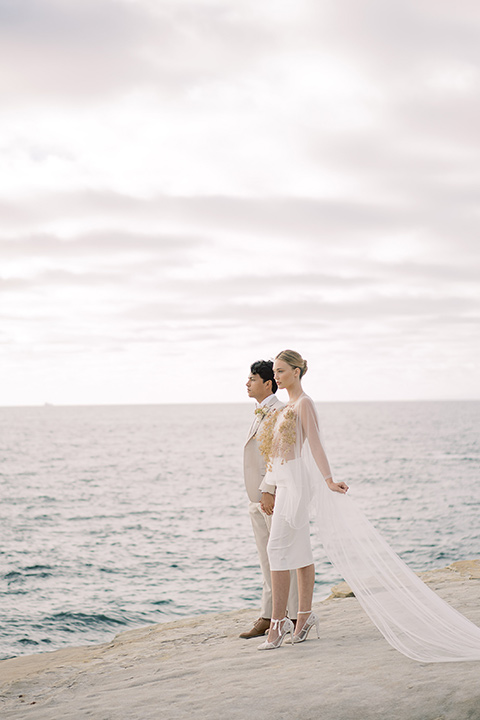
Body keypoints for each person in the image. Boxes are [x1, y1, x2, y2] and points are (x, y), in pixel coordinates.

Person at [256, 349, 480, 662]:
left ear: (297, 371)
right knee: (299, 552)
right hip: (284, 483)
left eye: (281, 371)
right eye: (275, 372)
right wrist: (269, 486)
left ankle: (278, 625)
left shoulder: (304, 403)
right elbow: (276, 451)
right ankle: (304, 618)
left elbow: (316, 444)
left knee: (277, 549)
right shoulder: (284, 408)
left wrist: (329, 479)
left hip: (297, 484)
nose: (276, 377)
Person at [239, 360, 298, 639]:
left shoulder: (280, 411)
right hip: (257, 497)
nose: (247, 383)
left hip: (272, 495)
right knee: (266, 558)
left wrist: (268, 490)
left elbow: (279, 455)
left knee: (282, 555)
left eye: (252, 379)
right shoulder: (260, 411)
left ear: (268, 383)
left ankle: (295, 615)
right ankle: (269, 614)